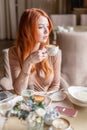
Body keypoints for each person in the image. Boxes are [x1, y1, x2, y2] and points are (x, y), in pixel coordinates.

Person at [9, 8, 61, 95]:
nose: (47, 31)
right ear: (27, 30)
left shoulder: (54, 52)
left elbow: (55, 85)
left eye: (47, 26)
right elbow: (19, 91)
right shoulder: (14, 52)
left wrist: (43, 100)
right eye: (40, 27)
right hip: (24, 101)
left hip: (45, 101)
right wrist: (28, 62)